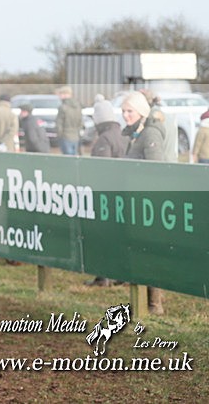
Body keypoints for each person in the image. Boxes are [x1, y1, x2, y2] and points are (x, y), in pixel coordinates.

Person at [121, 90, 165, 314]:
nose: (125, 115)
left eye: (129, 111)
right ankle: (142, 301)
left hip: (148, 202)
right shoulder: (135, 134)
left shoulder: (150, 134)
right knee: (139, 249)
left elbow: (156, 169)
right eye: (123, 111)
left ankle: (154, 304)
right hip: (135, 200)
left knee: (150, 251)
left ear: (141, 111)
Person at [84, 94, 129, 287]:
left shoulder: (104, 139)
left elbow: (101, 170)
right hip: (123, 193)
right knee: (120, 236)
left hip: (106, 196)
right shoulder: (125, 135)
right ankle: (122, 274)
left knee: (102, 237)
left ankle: (103, 277)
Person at [55, 86, 83, 155]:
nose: (59, 96)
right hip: (76, 136)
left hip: (65, 136)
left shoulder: (62, 107)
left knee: (67, 159)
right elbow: (81, 122)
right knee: (74, 158)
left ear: (65, 94)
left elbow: (59, 123)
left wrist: (59, 134)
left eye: (60, 94)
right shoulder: (78, 106)